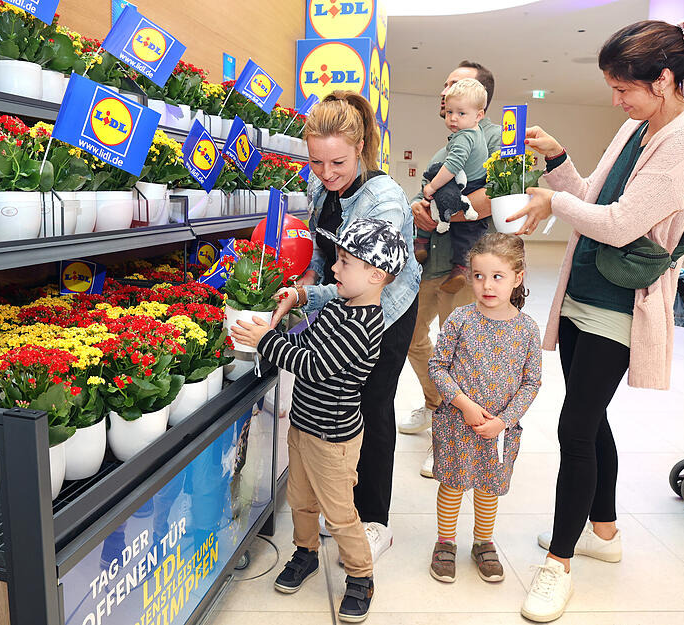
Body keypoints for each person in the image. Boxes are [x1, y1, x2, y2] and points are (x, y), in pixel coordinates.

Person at [505, 20, 684, 623]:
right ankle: (603, 531)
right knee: (589, 415)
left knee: (574, 430)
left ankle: (559, 563)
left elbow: (621, 224)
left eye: (624, 87)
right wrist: (555, 159)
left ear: (665, 80)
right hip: (583, 289)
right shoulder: (636, 124)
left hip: (622, 304)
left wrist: (556, 202)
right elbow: (591, 203)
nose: (616, 100)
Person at [231, 218, 410, 624]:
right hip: (304, 425)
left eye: (345, 262)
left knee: (341, 513)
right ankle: (305, 552)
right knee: (300, 499)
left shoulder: (365, 326)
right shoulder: (336, 308)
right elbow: (304, 343)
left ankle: (361, 576)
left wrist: (265, 341)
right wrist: (274, 332)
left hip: (333, 438)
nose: (334, 269)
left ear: (375, 274)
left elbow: (312, 365)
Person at [270, 91, 421, 562]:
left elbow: (368, 283)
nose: (326, 173)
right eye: (316, 162)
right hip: (338, 298)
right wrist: (303, 283)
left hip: (384, 310)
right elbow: (321, 254)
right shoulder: (320, 188)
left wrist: (308, 296)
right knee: (337, 405)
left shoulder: (386, 203)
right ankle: (336, 499)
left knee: (371, 408)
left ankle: (374, 520)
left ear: (360, 148)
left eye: (337, 162)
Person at [399, 61, 501, 480]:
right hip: (431, 261)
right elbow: (436, 187)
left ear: (482, 101)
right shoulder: (452, 137)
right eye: (446, 85)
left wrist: (438, 215)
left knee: (463, 351)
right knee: (409, 333)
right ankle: (437, 403)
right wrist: (420, 208)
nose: (448, 92)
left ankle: (450, 437)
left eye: (459, 86)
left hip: (468, 263)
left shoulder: (492, 138)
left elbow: (492, 202)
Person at [427, 233, 541, 584]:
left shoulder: (526, 330)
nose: (487, 285)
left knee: (489, 487)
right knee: (453, 483)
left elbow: (531, 383)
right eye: (478, 276)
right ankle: (445, 542)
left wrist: (504, 421)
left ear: (517, 278)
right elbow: (437, 366)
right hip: (456, 423)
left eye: (497, 276)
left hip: (498, 432)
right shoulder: (460, 320)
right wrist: (463, 404)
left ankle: (483, 542)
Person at [416, 78, 489, 287]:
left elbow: (453, 166)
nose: (453, 119)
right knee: (467, 231)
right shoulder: (475, 131)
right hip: (470, 180)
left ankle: (422, 242)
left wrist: (432, 186)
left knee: (432, 199)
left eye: (461, 113)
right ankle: (460, 265)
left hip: (468, 184)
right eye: (449, 113)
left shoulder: (465, 137)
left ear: (479, 115)